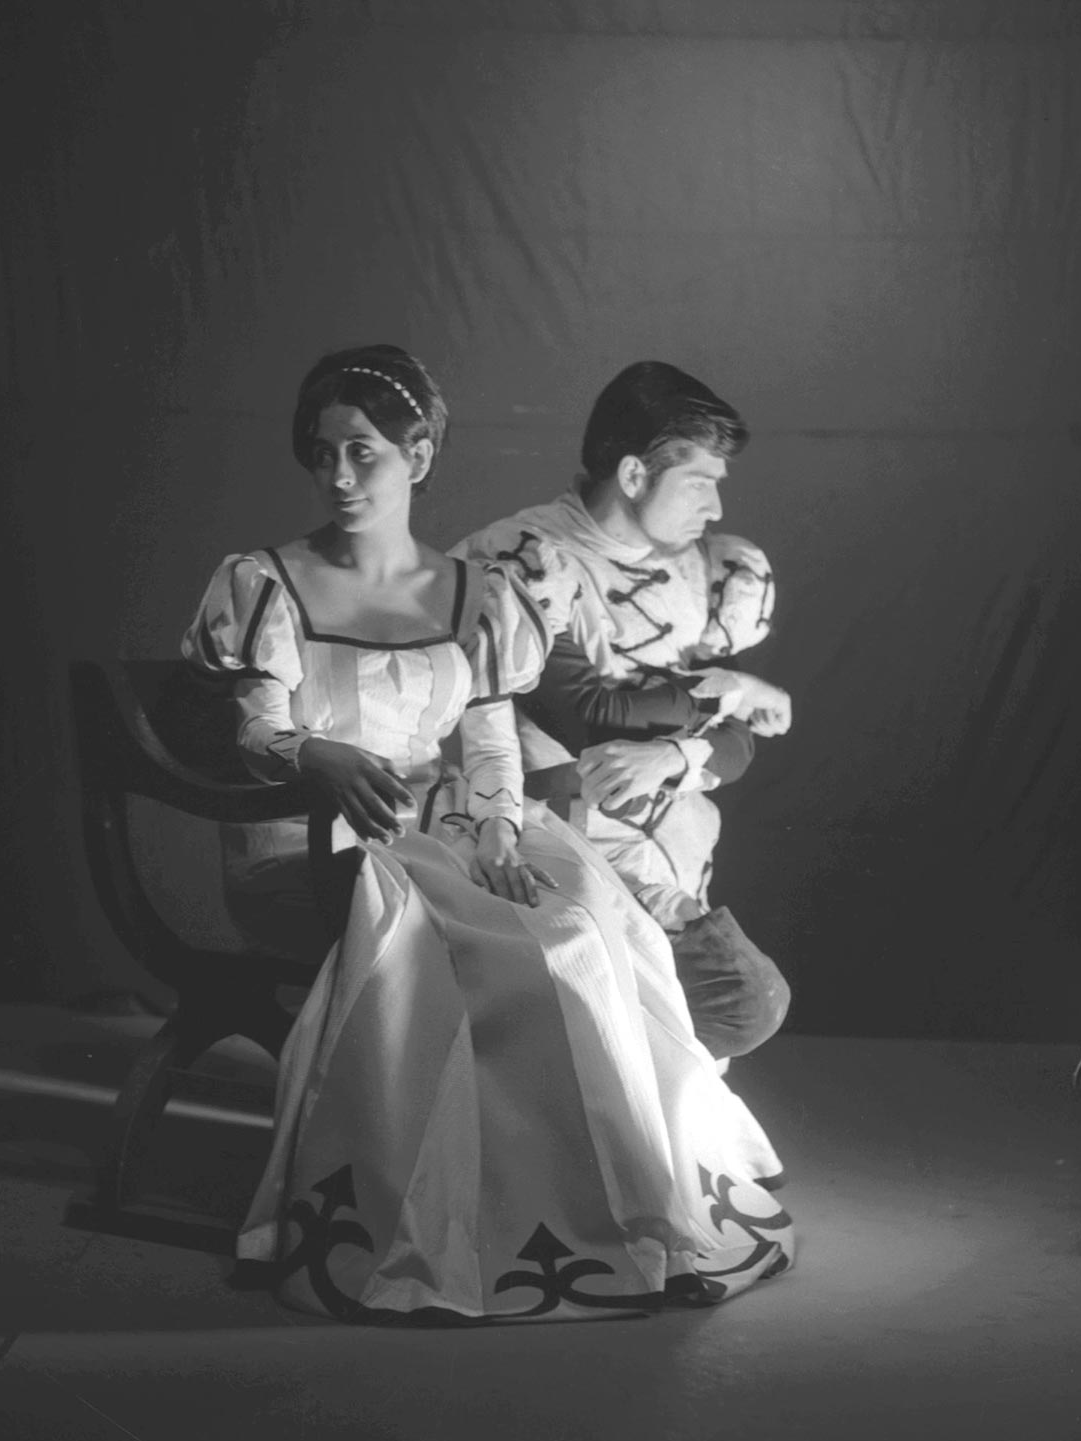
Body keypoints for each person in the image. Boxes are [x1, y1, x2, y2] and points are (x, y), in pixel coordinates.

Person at [181, 344, 792, 1324]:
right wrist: (312, 755)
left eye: (364, 453)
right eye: (324, 453)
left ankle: (593, 1209)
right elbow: (252, 727)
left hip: (451, 826)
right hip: (314, 839)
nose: (341, 477)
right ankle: (436, 1217)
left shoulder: (472, 593)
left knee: (581, 925)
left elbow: (490, 741)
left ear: (418, 457)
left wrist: (502, 832)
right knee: (479, 941)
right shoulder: (266, 582)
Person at [456, 361, 792, 1063]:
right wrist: (730, 690)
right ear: (635, 475)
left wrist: (677, 754)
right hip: (550, 844)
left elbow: (736, 742)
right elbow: (586, 717)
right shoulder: (527, 560)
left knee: (706, 1035)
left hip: (675, 841)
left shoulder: (707, 571)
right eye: (697, 482)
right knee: (715, 1004)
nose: (714, 509)